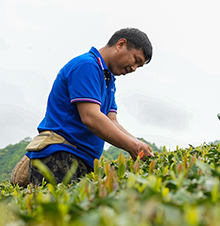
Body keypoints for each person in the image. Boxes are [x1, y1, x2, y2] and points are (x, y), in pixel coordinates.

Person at [26, 27, 156, 185]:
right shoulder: (87, 66)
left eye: (139, 66)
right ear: (121, 44)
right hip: (61, 153)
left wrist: (137, 144)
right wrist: (131, 146)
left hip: (83, 159)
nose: (134, 68)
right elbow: (91, 117)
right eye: (136, 60)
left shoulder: (108, 80)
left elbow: (112, 121)